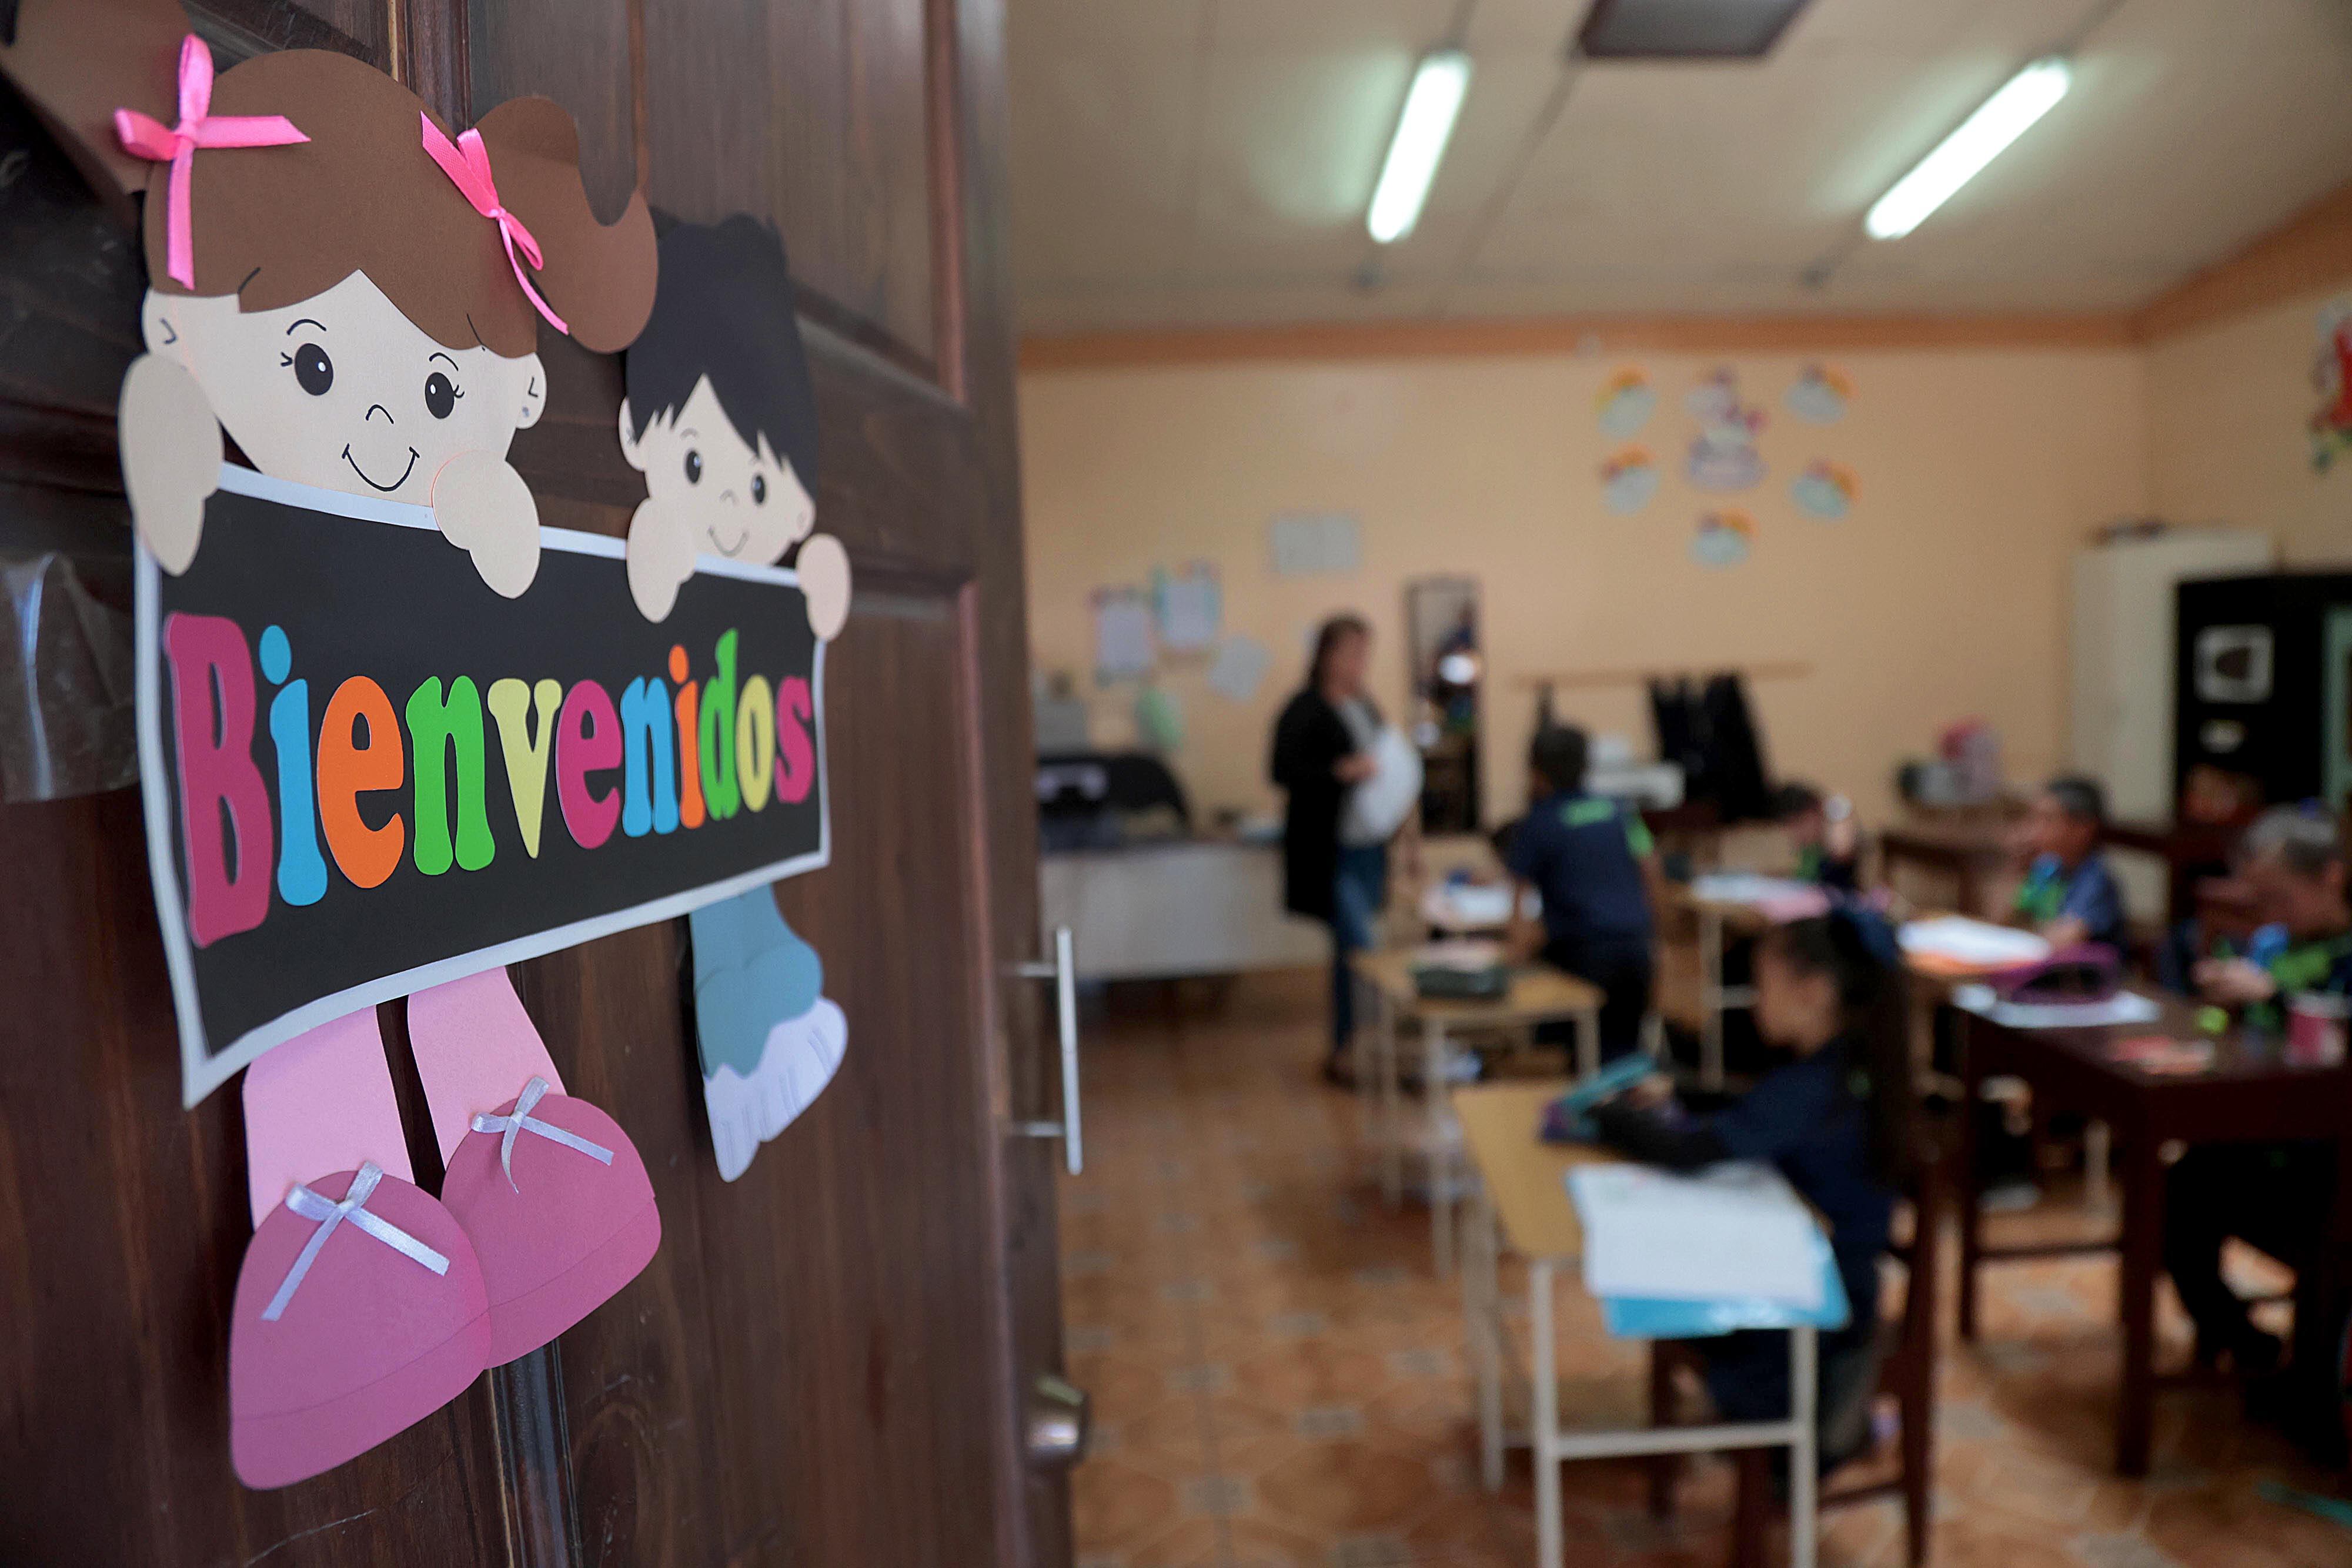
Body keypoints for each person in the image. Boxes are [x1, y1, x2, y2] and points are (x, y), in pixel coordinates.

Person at [1590, 909, 1913, 1471]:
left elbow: (1690, 1151)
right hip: (1827, 1278)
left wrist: (1608, 1116)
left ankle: (1776, 1433)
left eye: (1762, 986)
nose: (1754, 1001)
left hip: (1812, 1307)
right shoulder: (1843, 1065)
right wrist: (1683, 1092)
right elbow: (1751, 1109)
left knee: (1674, 1273)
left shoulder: (1814, 1087)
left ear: (1814, 992)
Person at [2163, 807, 2352, 1462]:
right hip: (2259, 1142)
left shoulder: (2343, 957)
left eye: (2280, 897)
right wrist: (2218, 1008)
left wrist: (2272, 995)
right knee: (2179, 1190)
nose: (2267, 914)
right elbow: (2226, 1031)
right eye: (2259, 899)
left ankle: (2313, 1397)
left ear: (2332, 877)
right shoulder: (2271, 943)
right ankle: (2248, 1344)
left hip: (2328, 1163)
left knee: (2332, 1243)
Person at [1271, 616, 1385, 1084]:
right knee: (1360, 947)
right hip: (1329, 850)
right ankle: (1353, 1047)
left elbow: (1389, 765)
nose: (1359, 663)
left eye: (1364, 653)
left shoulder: (1366, 706)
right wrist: (1339, 771)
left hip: (1368, 846)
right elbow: (1282, 770)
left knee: (1349, 955)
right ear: (1327, 655)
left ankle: (1350, 1048)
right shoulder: (1304, 709)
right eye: (1351, 652)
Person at [1504, 725, 1656, 1060]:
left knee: (1572, 1055)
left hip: (1581, 959)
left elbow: (1518, 905)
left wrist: (1512, 957)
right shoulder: (1619, 810)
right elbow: (1650, 866)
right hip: (1635, 953)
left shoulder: (1540, 822)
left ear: (1537, 773)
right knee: (1624, 1056)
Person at [2012, 775, 2126, 951]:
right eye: (2034, 819)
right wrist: (2015, 869)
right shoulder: (2046, 869)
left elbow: (2064, 940)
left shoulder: (2096, 881)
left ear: (2082, 829)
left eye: (2048, 820)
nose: (2034, 831)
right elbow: (2011, 919)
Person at [1769, 780, 1860, 892]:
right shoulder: (1808, 851)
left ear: (1817, 810)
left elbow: (1842, 849)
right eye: (1790, 826)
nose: (1796, 833)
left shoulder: (1837, 836)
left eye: (1800, 822)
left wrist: (1836, 812)